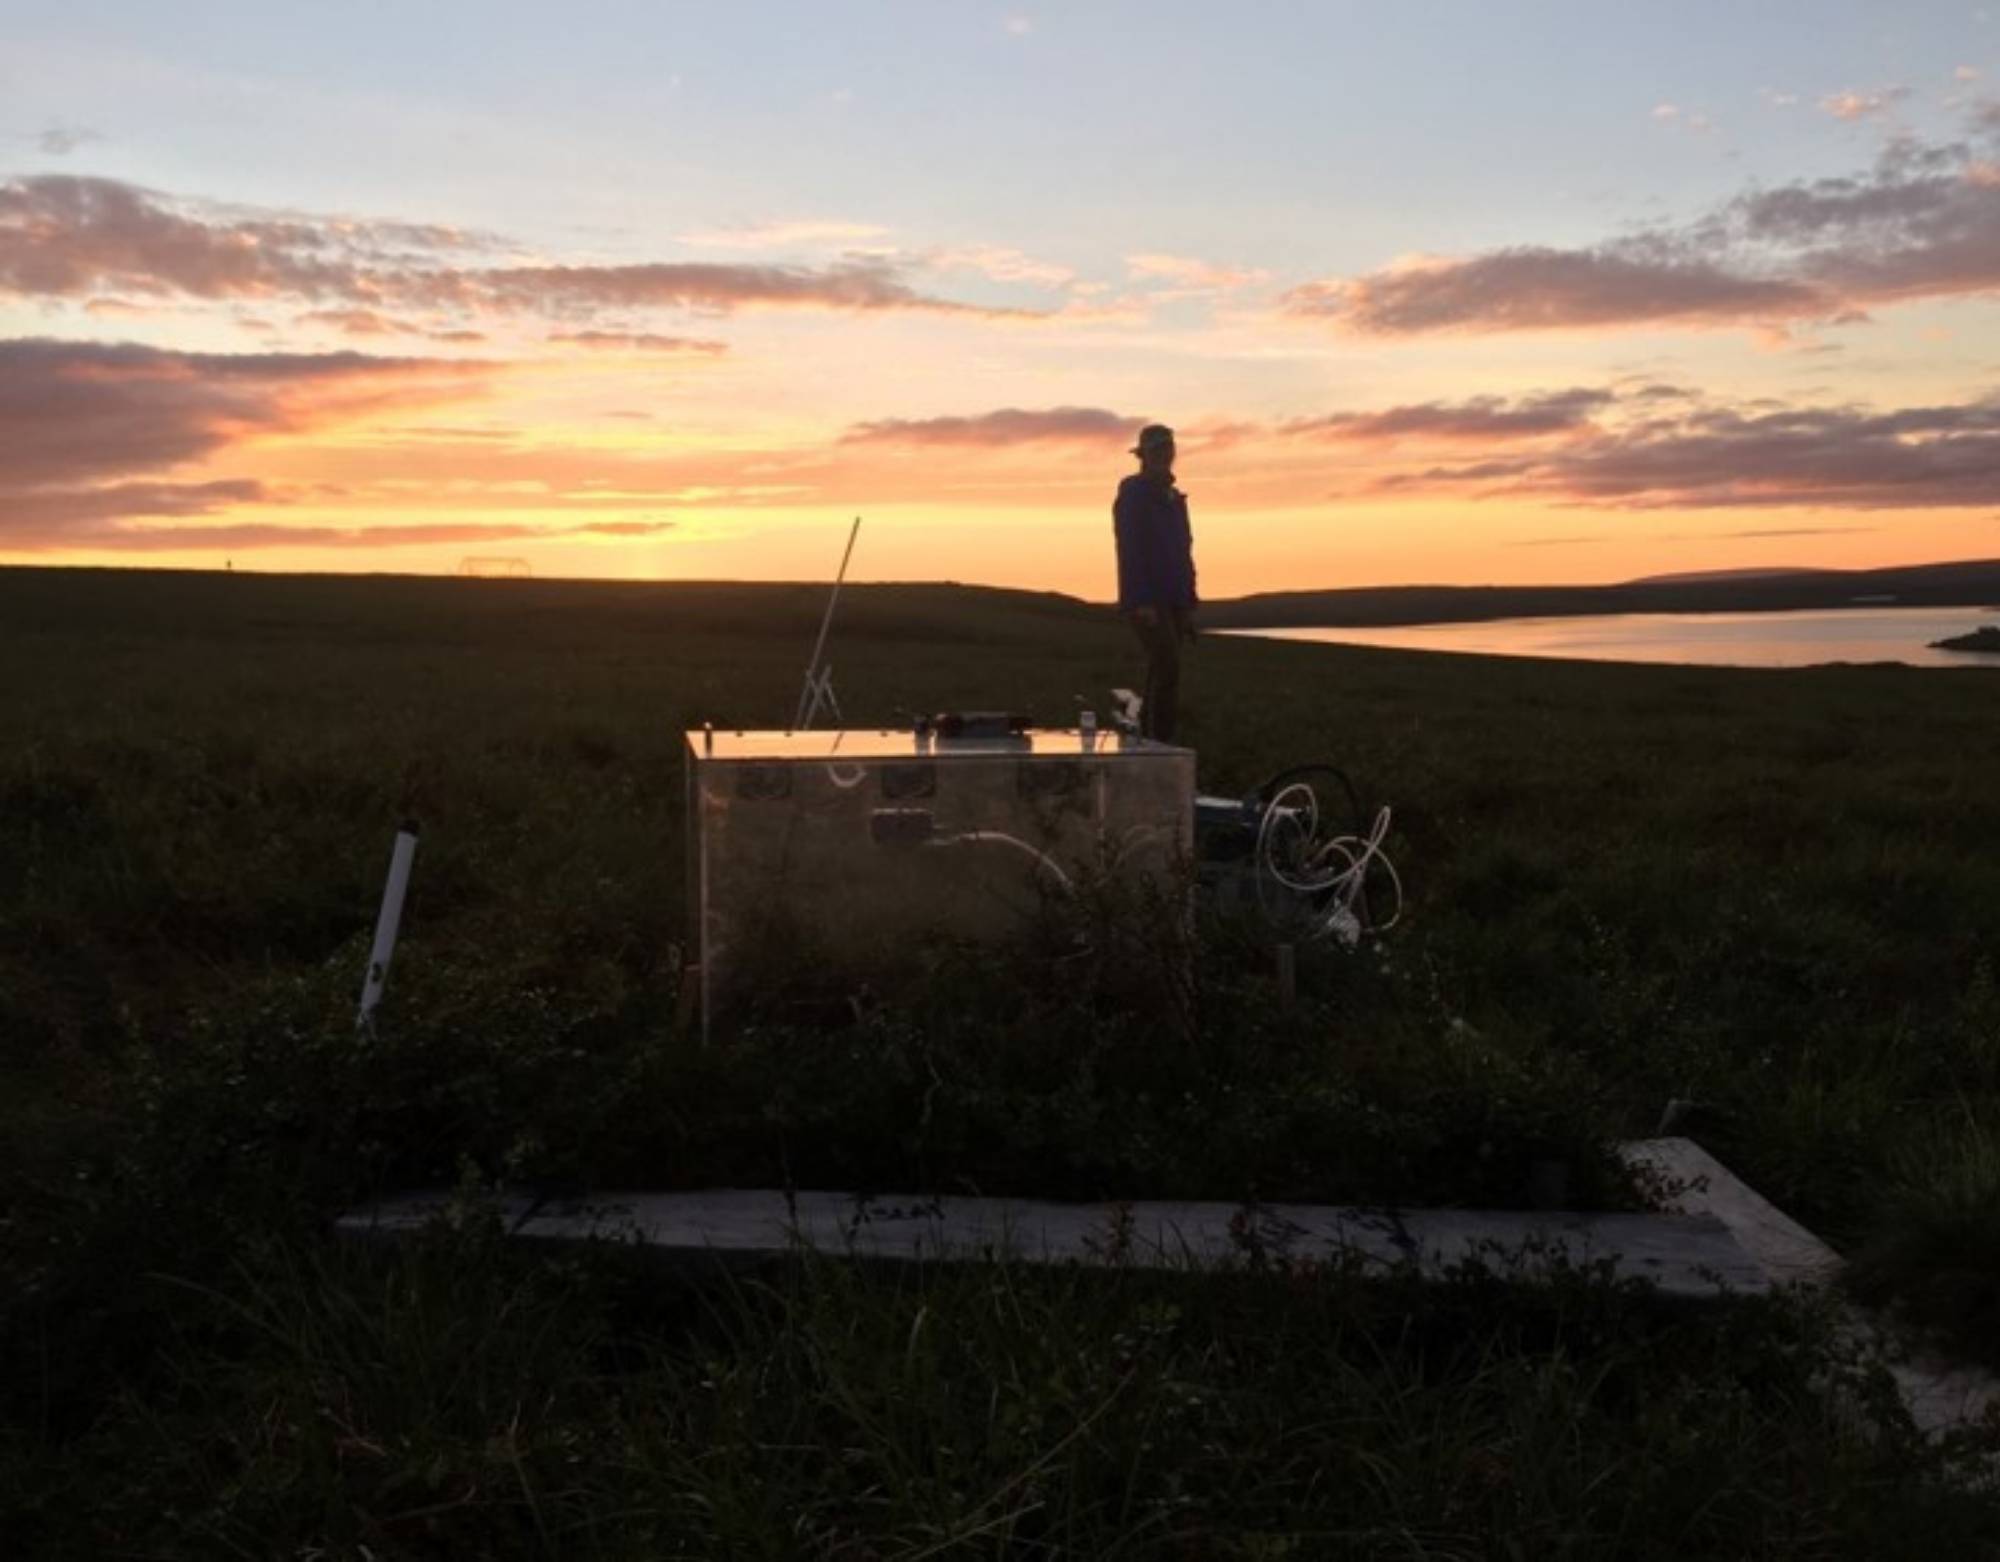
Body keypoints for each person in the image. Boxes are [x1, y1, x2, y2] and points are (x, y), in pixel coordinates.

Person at [1112, 423, 1197, 742]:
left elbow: (1184, 548)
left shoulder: (1175, 498)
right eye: (1157, 449)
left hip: (1174, 598)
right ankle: (1159, 743)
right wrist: (1142, 600)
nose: (1164, 454)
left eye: (1168, 448)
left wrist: (1189, 600)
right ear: (1143, 455)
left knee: (1161, 670)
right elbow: (1130, 548)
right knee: (1167, 667)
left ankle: (1144, 741)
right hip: (1147, 600)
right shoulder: (1133, 493)